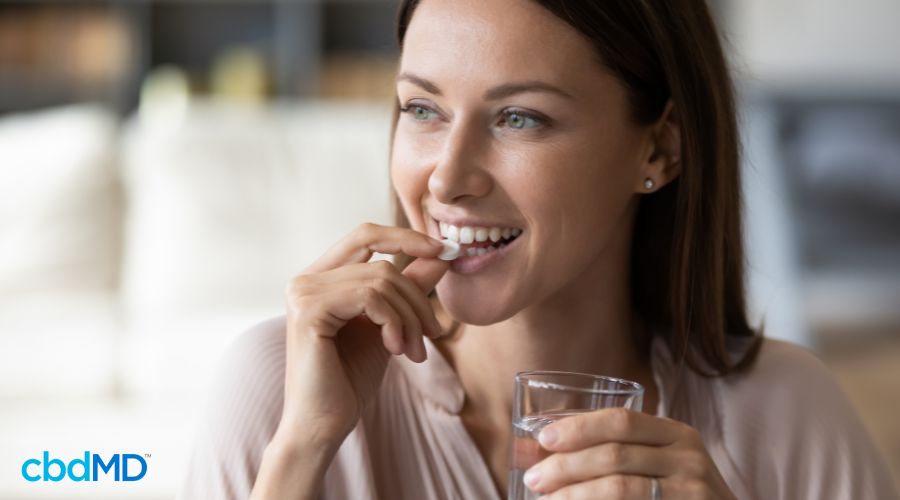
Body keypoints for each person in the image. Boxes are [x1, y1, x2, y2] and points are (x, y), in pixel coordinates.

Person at [178, 0, 899, 498]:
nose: (447, 179)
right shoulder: (279, 391)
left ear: (661, 145)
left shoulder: (789, 416)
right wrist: (301, 453)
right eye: (422, 109)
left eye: (519, 117)